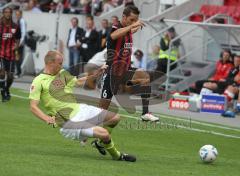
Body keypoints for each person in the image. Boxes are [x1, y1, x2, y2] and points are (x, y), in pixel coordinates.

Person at [29, 50, 136, 162]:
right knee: (104, 134)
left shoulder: (62, 74)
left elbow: (79, 81)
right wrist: (47, 118)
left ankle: (99, 144)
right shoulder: (38, 81)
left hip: (80, 109)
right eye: (59, 63)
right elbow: (33, 106)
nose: (62, 66)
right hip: (68, 121)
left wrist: (97, 73)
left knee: (115, 118)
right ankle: (118, 156)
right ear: (50, 63)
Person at [99, 5, 159, 122]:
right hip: (112, 74)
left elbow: (129, 31)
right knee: (101, 112)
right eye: (131, 20)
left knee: (145, 77)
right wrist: (133, 26)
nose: (134, 22)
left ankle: (145, 113)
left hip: (125, 70)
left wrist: (135, 26)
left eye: (135, 20)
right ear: (124, 17)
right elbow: (113, 35)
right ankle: (87, 132)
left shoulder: (127, 30)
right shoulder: (116, 27)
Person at [0, 7, 21, 102]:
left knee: (10, 76)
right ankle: (3, 93)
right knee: (2, 73)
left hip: (11, 54)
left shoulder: (15, 26)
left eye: (9, 12)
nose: (7, 14)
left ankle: (6, 88)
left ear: (11, 14)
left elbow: (18, 40)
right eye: (6, 12)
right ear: (3, 13)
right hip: (1, 53)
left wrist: (16, 49)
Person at [15, 10, 26, 78]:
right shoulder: (18, 21)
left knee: (17, 57)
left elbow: (23, 32)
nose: (17, 16)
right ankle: (18, 72)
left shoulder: (22, 21)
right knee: (17, 57)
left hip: (19, 43)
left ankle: (18, 72)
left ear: (21, 14)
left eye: (18, 14)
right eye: (16, 14)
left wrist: (20, 42)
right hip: (17, 42)